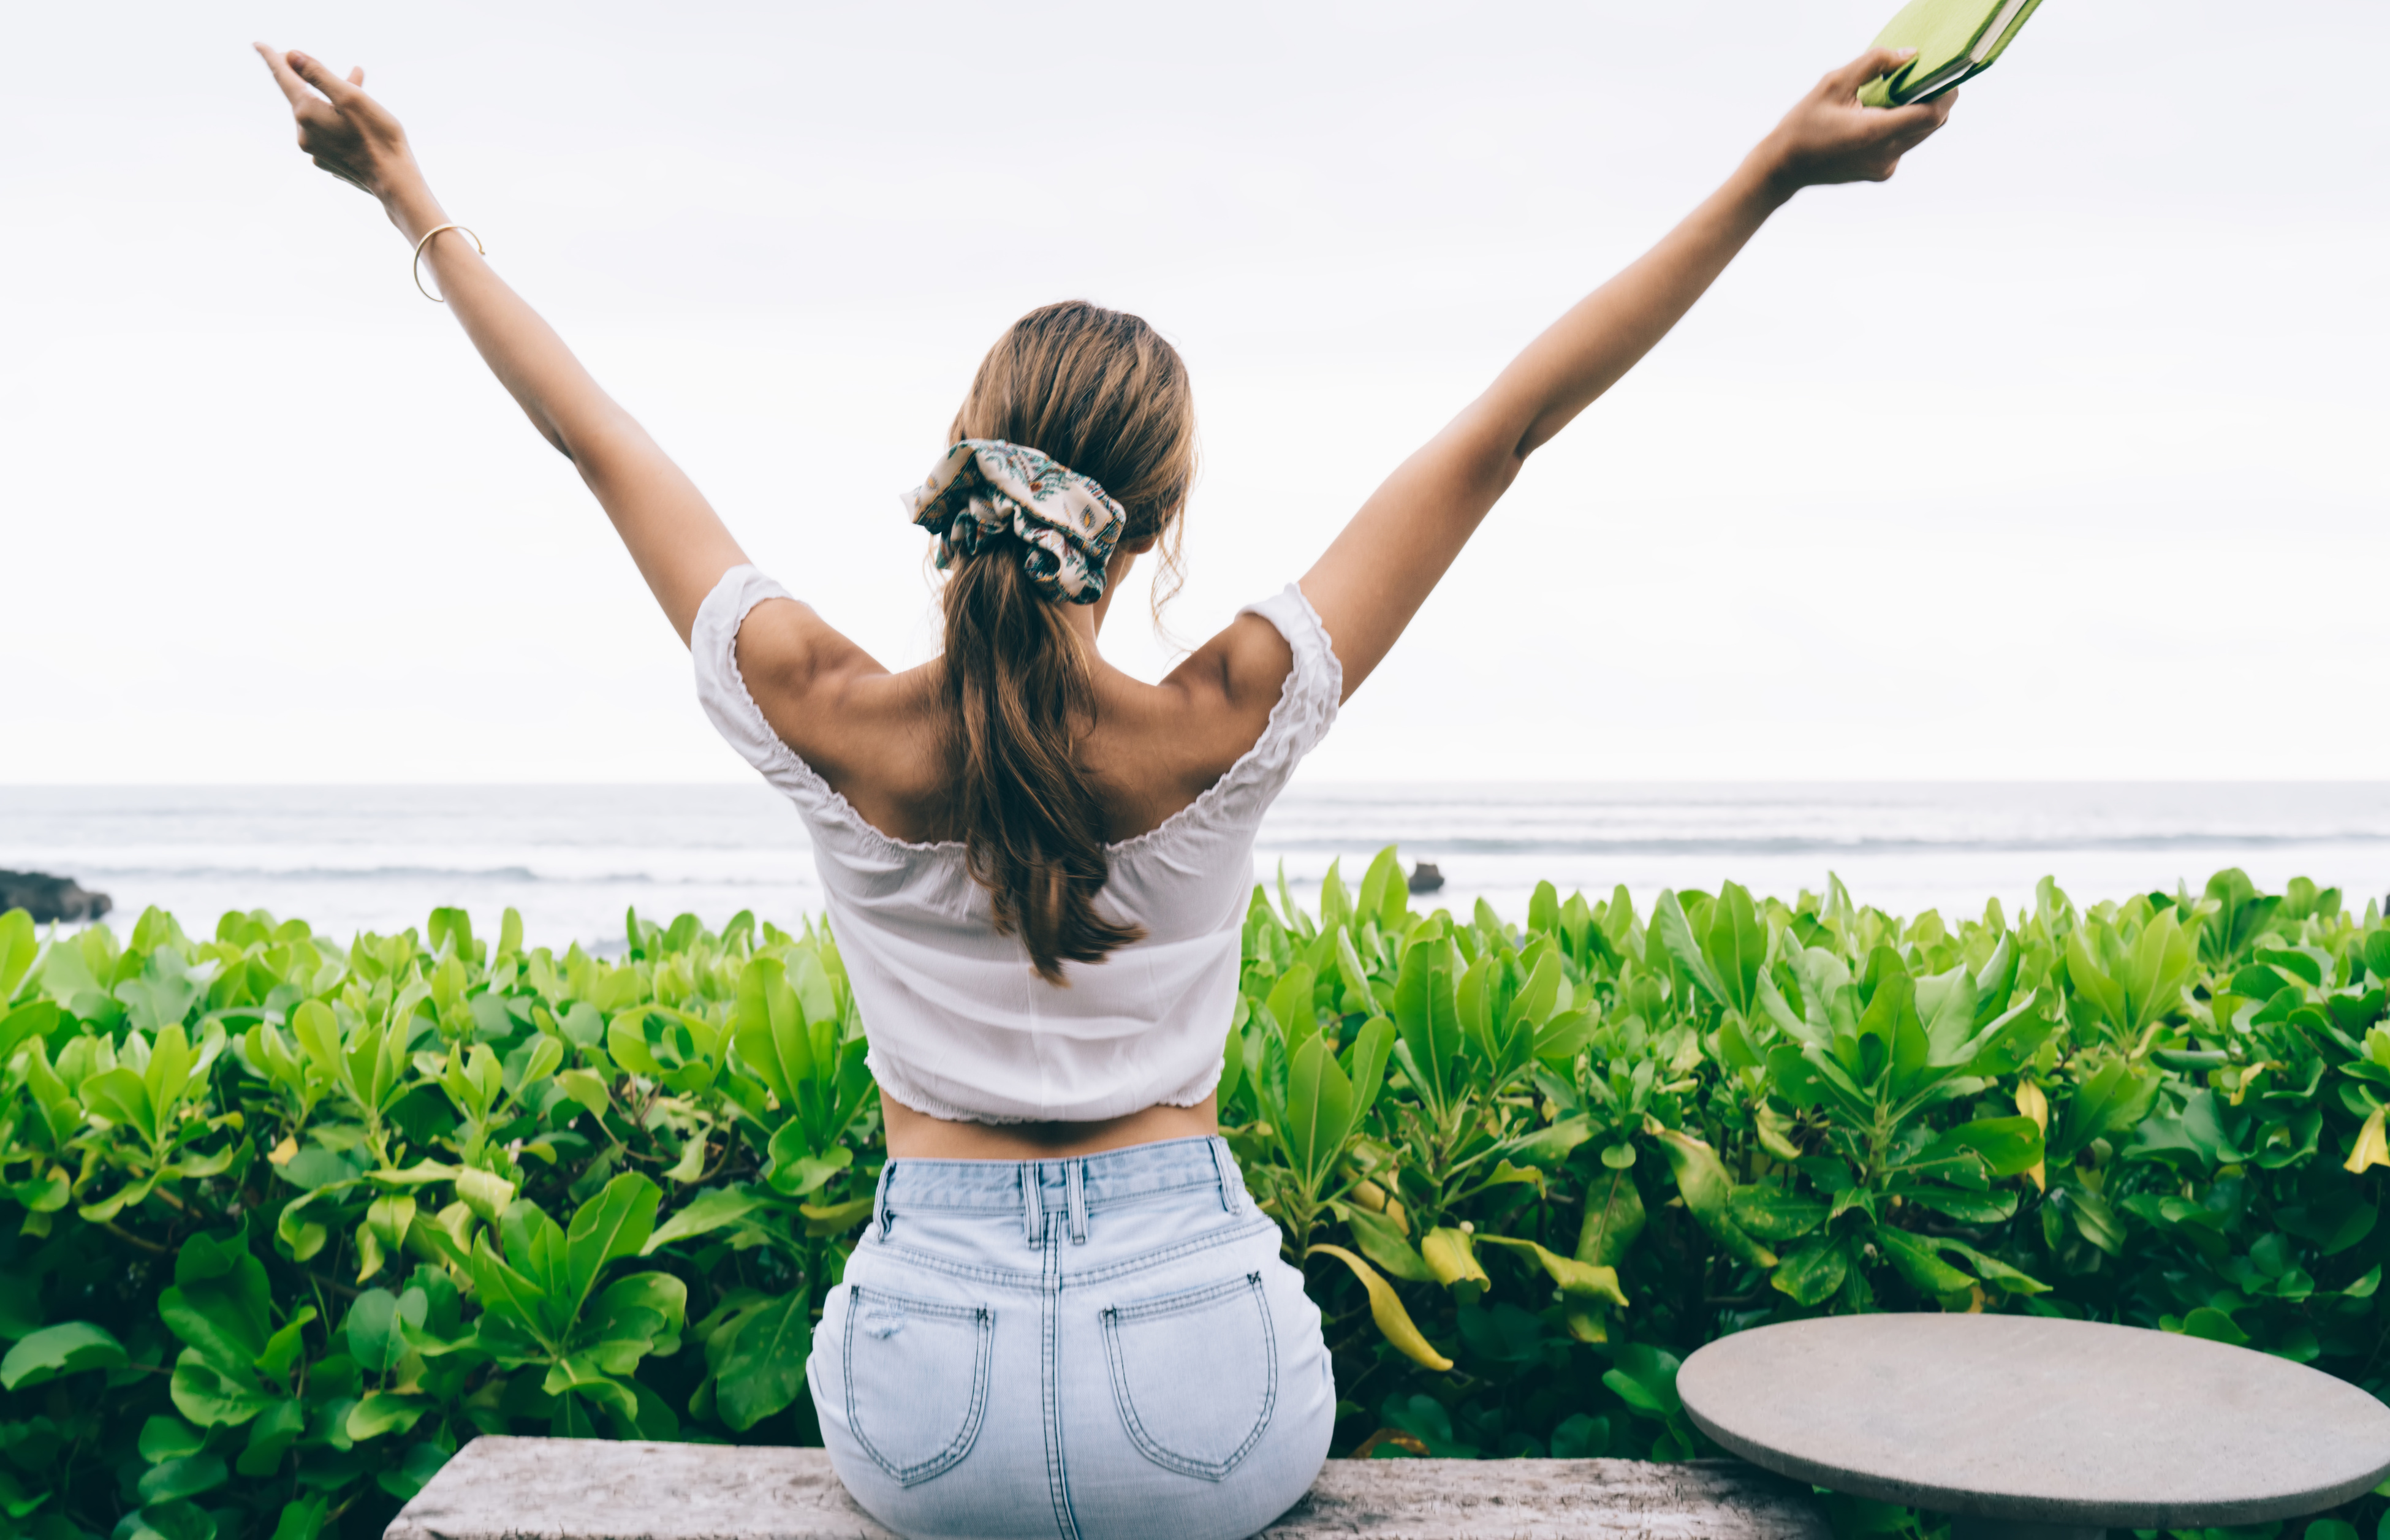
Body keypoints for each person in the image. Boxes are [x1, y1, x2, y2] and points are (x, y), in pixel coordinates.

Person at [256, 38, 1952, 1540]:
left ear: (963, 475)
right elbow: (1504, 428)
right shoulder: (1228, 711)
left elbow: (596, 437)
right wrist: (1770, 177)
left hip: (929, 1412)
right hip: (1200, 1389)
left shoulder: (818, 705)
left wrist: (406, 193)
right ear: (1147, 527)